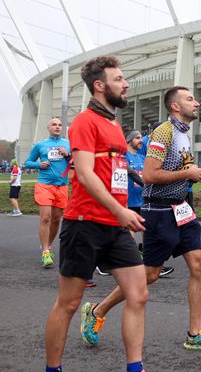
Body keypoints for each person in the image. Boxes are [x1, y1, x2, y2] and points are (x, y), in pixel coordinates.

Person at [80, 86, 201, 352]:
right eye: (190, 99)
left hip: (182, 209)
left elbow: (179, 169)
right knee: (150, 275)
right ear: (175, 106)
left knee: (199, 265)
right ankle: (97, 310)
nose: (198, 103)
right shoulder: (163, 132)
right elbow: (149, 175)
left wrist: (189, 173)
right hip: (159, 211)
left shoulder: (183, 134)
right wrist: (188, 174)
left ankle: (194, 333)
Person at [44, 55, 148, 372]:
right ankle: (53, 369)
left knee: (139, 294)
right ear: (100, 86)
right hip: (84, 225)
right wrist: (121, 210)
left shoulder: (114, 124)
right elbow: (86, 175)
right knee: (69, 303)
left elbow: (112, 168)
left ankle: (135, 367)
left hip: (115, 226)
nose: (126, 83)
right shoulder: (84, 122)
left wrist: (131, 183)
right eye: (119, 79)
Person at [120, 130, 174, 278]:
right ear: (129, 140)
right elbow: (131, 174)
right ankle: (130, 264)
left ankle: (151, 263)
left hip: (143, 200)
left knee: (147, 231)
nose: (140, 141)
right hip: (127, 200)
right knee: (128, 232)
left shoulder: (143, 157)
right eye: (137, 138)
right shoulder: (123, 156)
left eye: (140, 138)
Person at [25, 117, 71, 268]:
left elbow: (75, 161)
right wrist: (39, 165)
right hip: (44, 185)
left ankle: (47, 246)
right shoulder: (40, 145)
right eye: (54, 125)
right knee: (46, 218)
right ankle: (45, 252)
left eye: (59, 124)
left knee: (57, 219)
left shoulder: (67, 144)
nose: (57, 127)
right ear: (48, 128)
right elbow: (28, 162)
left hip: (62, 186)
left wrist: (67, 155)